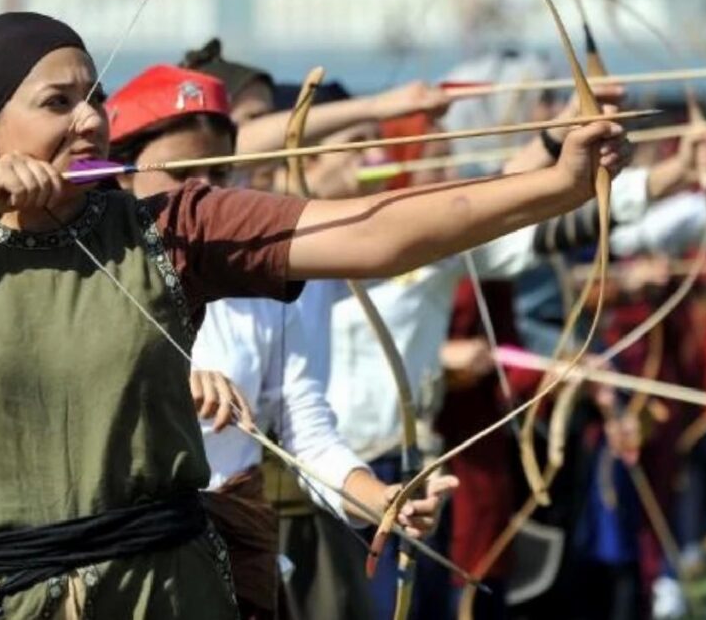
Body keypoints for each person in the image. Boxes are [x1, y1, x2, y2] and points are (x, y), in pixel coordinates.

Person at [0, 12, 626, 619]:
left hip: (158, 592)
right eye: (58, 103)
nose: (90, 119)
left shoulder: (171, 220)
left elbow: (378, 234)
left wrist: (551, 182)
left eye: (93, 96)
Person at [105, 64, 457, 619]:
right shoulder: (84, 268)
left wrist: (379, 500)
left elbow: (309, 435)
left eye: (220, 175)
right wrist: (172, 383)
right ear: (122, 174)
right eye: (179, 174)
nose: (202, 195)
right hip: (110, 560)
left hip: (226, 555)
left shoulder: (273, 278)